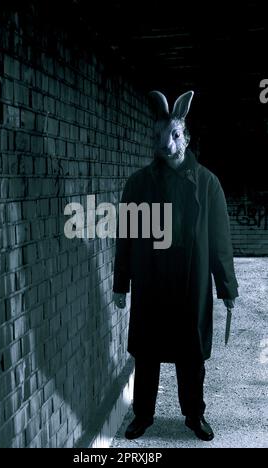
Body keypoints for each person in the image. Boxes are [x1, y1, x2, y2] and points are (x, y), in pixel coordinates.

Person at [113, 90, 239, 441]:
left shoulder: (207, 184)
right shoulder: (138, 184)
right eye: (158, 136)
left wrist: (226, 287)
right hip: (151, 279)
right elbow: (125, 236)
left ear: (186, 137)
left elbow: (219, 240)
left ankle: (194, 415)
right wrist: (120, 282)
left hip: (191, 281)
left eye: (174, 135)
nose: (165, 144)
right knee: (148, 353)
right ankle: (143, 415)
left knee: (190, 354)